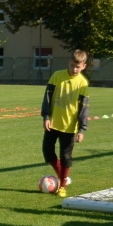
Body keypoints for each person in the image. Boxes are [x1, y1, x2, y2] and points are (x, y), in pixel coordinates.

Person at [40, 49, 90, 197]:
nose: (75, 69)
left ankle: (62, 186)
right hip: (53, 123)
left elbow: (83, 109)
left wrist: (82, 129)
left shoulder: (83, 84)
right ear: (69, 63)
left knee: (66, 156)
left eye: (78, 67)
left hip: (69, 126)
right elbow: (47, 98)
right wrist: (46, 117)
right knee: (47, 152)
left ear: (84, 66)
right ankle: (63, 177)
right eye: (73, 65)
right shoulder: (57, 76)